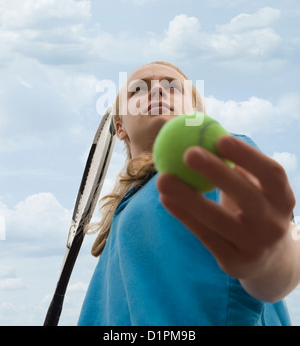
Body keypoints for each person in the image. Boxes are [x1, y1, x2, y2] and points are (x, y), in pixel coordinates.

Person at [78, 60, 299, 326]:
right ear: (120, 126)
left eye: (173, 87)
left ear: (195, 112)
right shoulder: (123, 212)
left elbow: (286, 251)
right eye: (137, 89)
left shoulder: (222, 155)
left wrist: (269, 264)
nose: (158, 90)